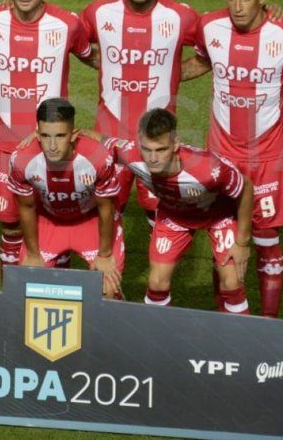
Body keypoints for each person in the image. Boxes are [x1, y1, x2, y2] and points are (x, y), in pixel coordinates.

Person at [184, 0, 283, 317]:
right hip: (222, 155)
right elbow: (198, 64)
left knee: (267, 242)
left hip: (269, 158)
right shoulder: (210, 26)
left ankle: (269, 323)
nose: (238, 7)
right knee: (223, 242)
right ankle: (225, 319)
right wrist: (151, 72)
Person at [0, 0, 93, 270]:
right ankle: (8, 305)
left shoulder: (68, 24)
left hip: (52, 145)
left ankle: (55, 294)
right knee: (10, 226)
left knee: (55, 221)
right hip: (4, 144)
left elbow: (94, 59)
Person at [79, 0, 200, 221]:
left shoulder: (180, 16)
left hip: (157, 138)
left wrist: (176, 71)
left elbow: (213, 49)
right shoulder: (100, 12)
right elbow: (73, 40)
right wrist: (105, 63)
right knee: (106, 213)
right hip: (109, 136)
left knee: (161, 218)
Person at [103, 109, 254, 312]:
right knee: (157, 283)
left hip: (219, 216)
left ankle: (238, 340)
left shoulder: (208, 169)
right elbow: (101, 140)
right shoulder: (130, 154)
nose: (153, 158)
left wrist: (242, 242)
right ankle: (156, 339)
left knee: (231, 283)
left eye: (161, 150)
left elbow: (245, 188)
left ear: (175, 145)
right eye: (147, 149)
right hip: (174, 216)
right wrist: (74, 136)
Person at [8, 98, 123, 298]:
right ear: (37, 134)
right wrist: (34, 255)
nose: (52, 145)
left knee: (108, 291)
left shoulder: (98, 157)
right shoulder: (21, 160)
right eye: (45, 136)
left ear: (73, 135)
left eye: (60, 136)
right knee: (30, 289)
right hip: (49, 222)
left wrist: (104, 255)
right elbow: (26, 208)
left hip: (90, 221)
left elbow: (106, 207)